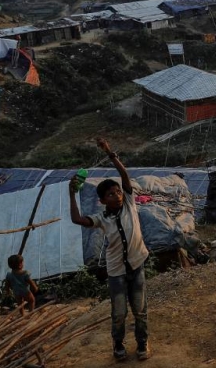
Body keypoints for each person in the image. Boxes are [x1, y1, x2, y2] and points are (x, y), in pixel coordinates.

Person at [68, 138, 151, 361]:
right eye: (111, 194)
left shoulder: (130, 203)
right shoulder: (101, 218)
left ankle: (142, 344)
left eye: (118, 192)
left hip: (137, 264)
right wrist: (71, 193)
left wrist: (109, 153)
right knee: (119, 313)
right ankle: (118, 345)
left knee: (140, 310)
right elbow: (76, 219)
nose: (117, 195)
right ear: (103, 201)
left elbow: (124, 176)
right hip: (116, 272)